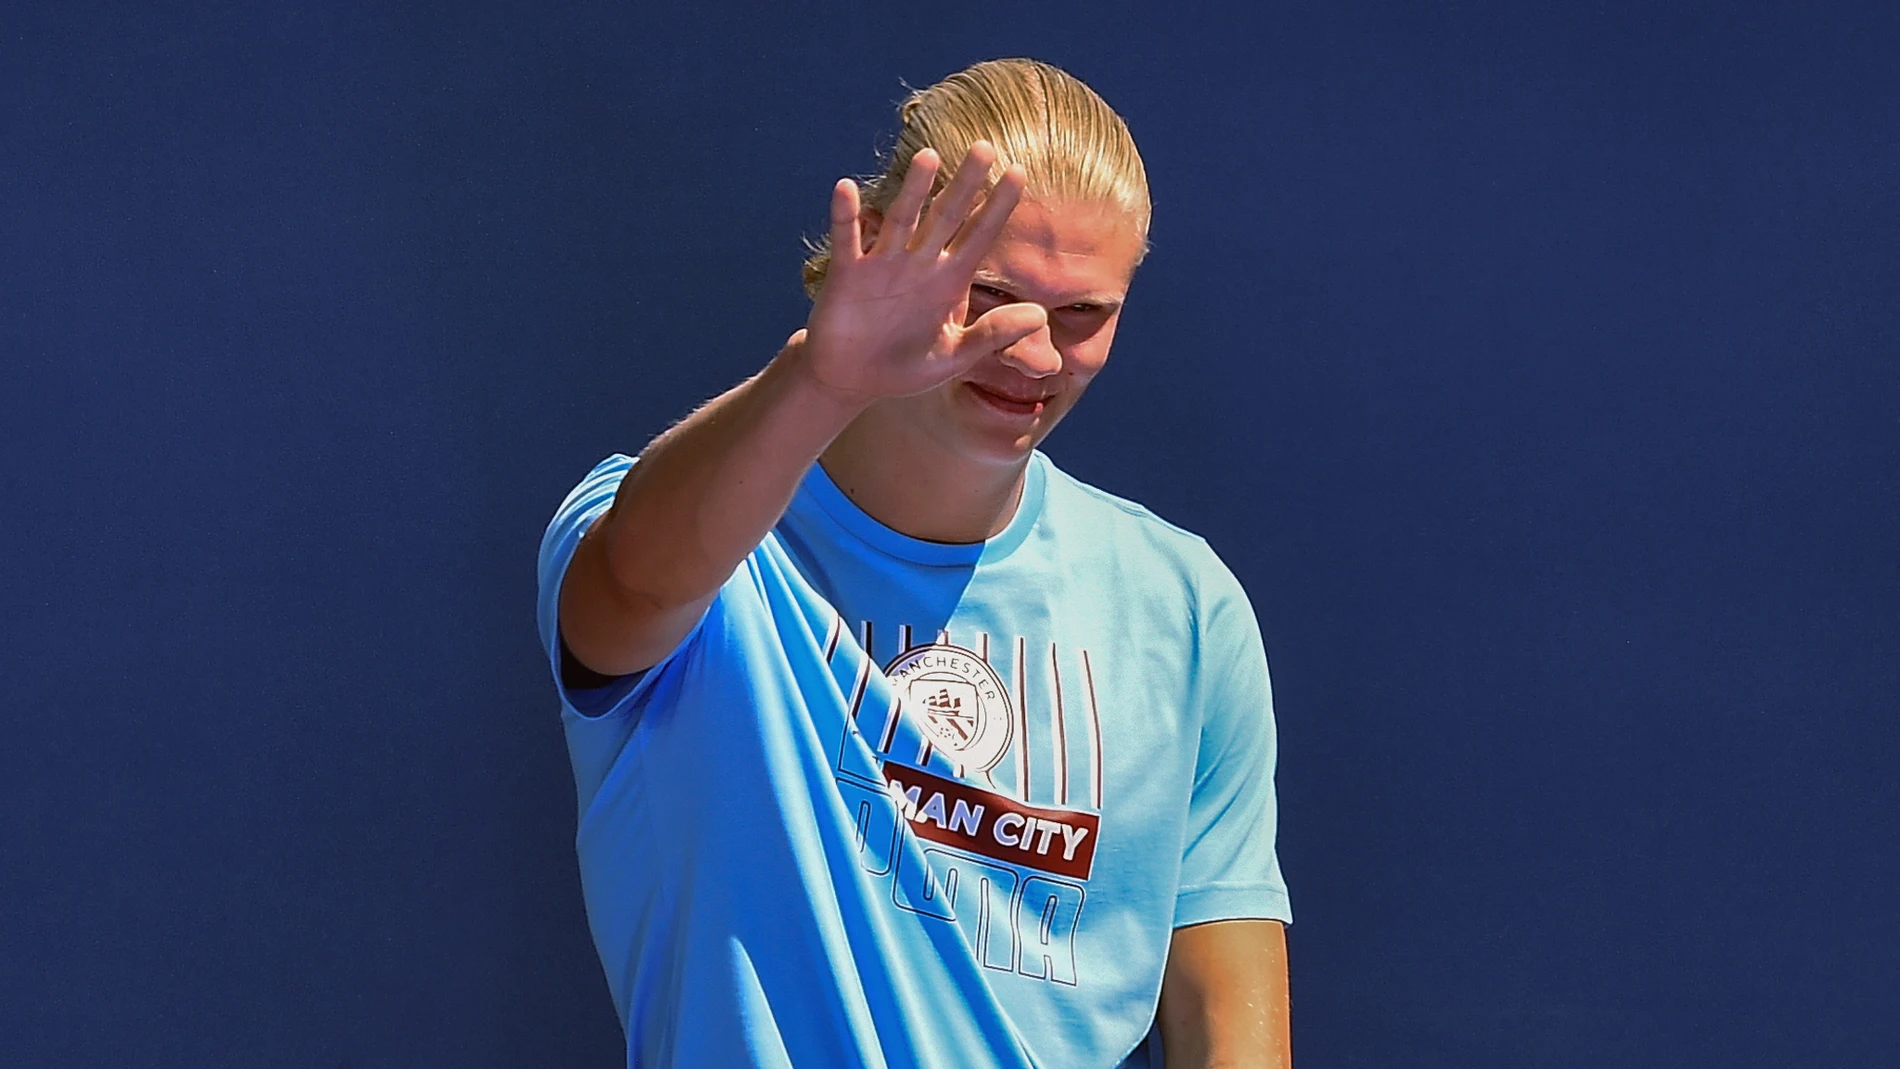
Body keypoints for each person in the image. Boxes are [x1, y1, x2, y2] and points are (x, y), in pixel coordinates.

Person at [537, 58, 1291, 1068]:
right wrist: (822, 376)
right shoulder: (691, 541)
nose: (1031, 354)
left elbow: (1222, 1008)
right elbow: (630, 588)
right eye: (990, 296)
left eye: (1084, 317)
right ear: (893, 250)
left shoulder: (1185, 606)